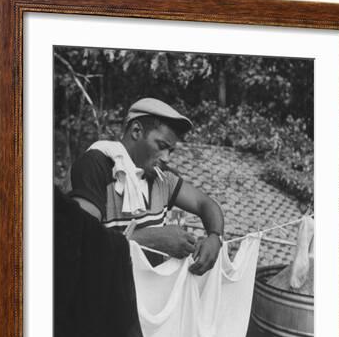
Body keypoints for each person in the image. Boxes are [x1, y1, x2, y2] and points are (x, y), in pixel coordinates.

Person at [70, 98, 224, 275]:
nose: (166, 157)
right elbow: (80, 240)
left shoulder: (161, 177)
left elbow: (205, 204)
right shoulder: (96, 166)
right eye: (161, 146)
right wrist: (152, 239)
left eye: (170, 150)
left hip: (148, 298)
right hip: (106, 297)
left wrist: (215, 237)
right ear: (136, 131)